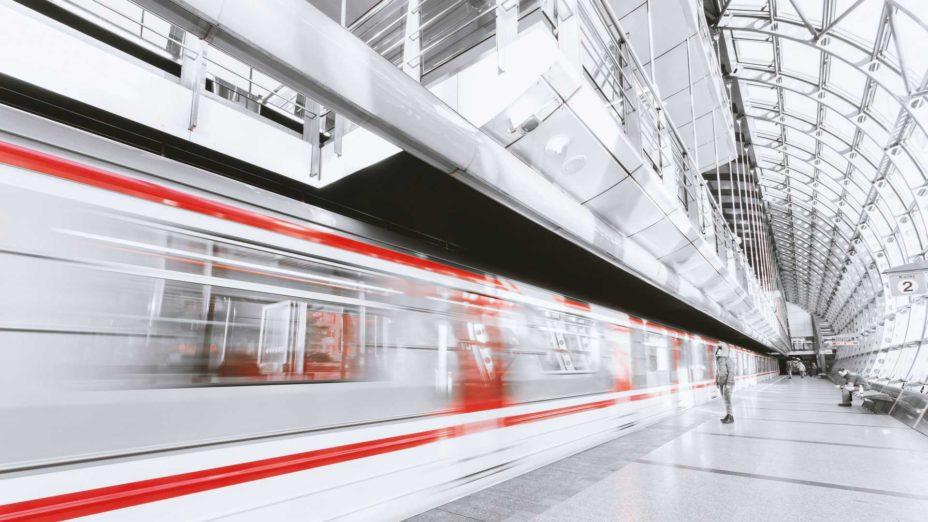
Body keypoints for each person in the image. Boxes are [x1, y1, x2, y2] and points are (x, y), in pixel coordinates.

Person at [715, 344, 734, 424]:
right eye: (718, 348)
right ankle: (728, 415)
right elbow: (718, 372)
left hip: (727, 383)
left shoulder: (728, 360)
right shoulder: (718, 360)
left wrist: (729, 383)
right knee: (725, 400)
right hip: (721, 383)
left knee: (728, 400)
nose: (718, 350)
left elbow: (731, 372)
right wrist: (717, 381)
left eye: (720, 348)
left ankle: (730, 416)